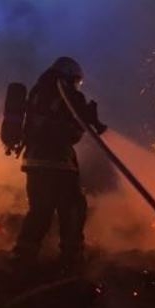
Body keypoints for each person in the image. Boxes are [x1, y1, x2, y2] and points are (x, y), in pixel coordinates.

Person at [12, 56, 105, 272]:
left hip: (34, 161)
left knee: (39, 211)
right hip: (59, 164)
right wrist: (89, 119)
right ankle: (71, 258)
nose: (77, 85)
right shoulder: (69, 95)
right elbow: (73, 132)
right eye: (77, 81)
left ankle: (23, 256)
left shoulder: (37, 93)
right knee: (72, 208)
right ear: (70, 77)